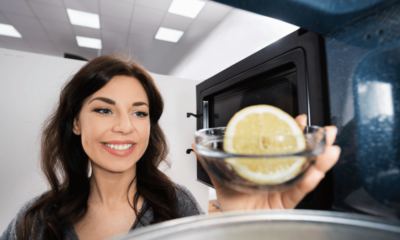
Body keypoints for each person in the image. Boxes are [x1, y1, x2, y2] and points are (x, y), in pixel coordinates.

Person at [0, 55, 340, 240]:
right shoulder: (34, 222)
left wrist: (246, 232)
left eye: (140, 112)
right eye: (104, 109)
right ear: (76, 122)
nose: (125, 126)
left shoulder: (176, 207)